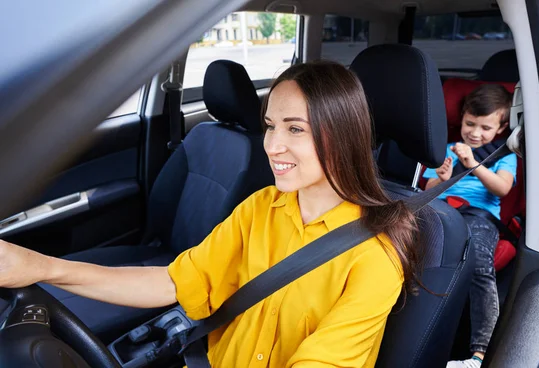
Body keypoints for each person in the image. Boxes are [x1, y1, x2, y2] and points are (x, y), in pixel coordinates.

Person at [0, 61, 420, 367]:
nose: (272, 146)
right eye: (270, 125)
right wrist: (40, 267)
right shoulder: (260, 208)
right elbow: (174, 282)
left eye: (295, 129)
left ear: (342, 136)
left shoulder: (374, 255)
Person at [423, 84, 517, 368]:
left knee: (478, 266)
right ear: (461, 118)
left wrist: (474, 164)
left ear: (501, 129)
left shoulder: (505, 156)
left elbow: (502, 189)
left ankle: (479, 353)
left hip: (478, 216)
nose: (475, 133)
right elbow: (428, 188)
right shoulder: (446, 150)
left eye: (485, 128)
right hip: (439, 210)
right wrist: (443, 176)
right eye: (469, 124)